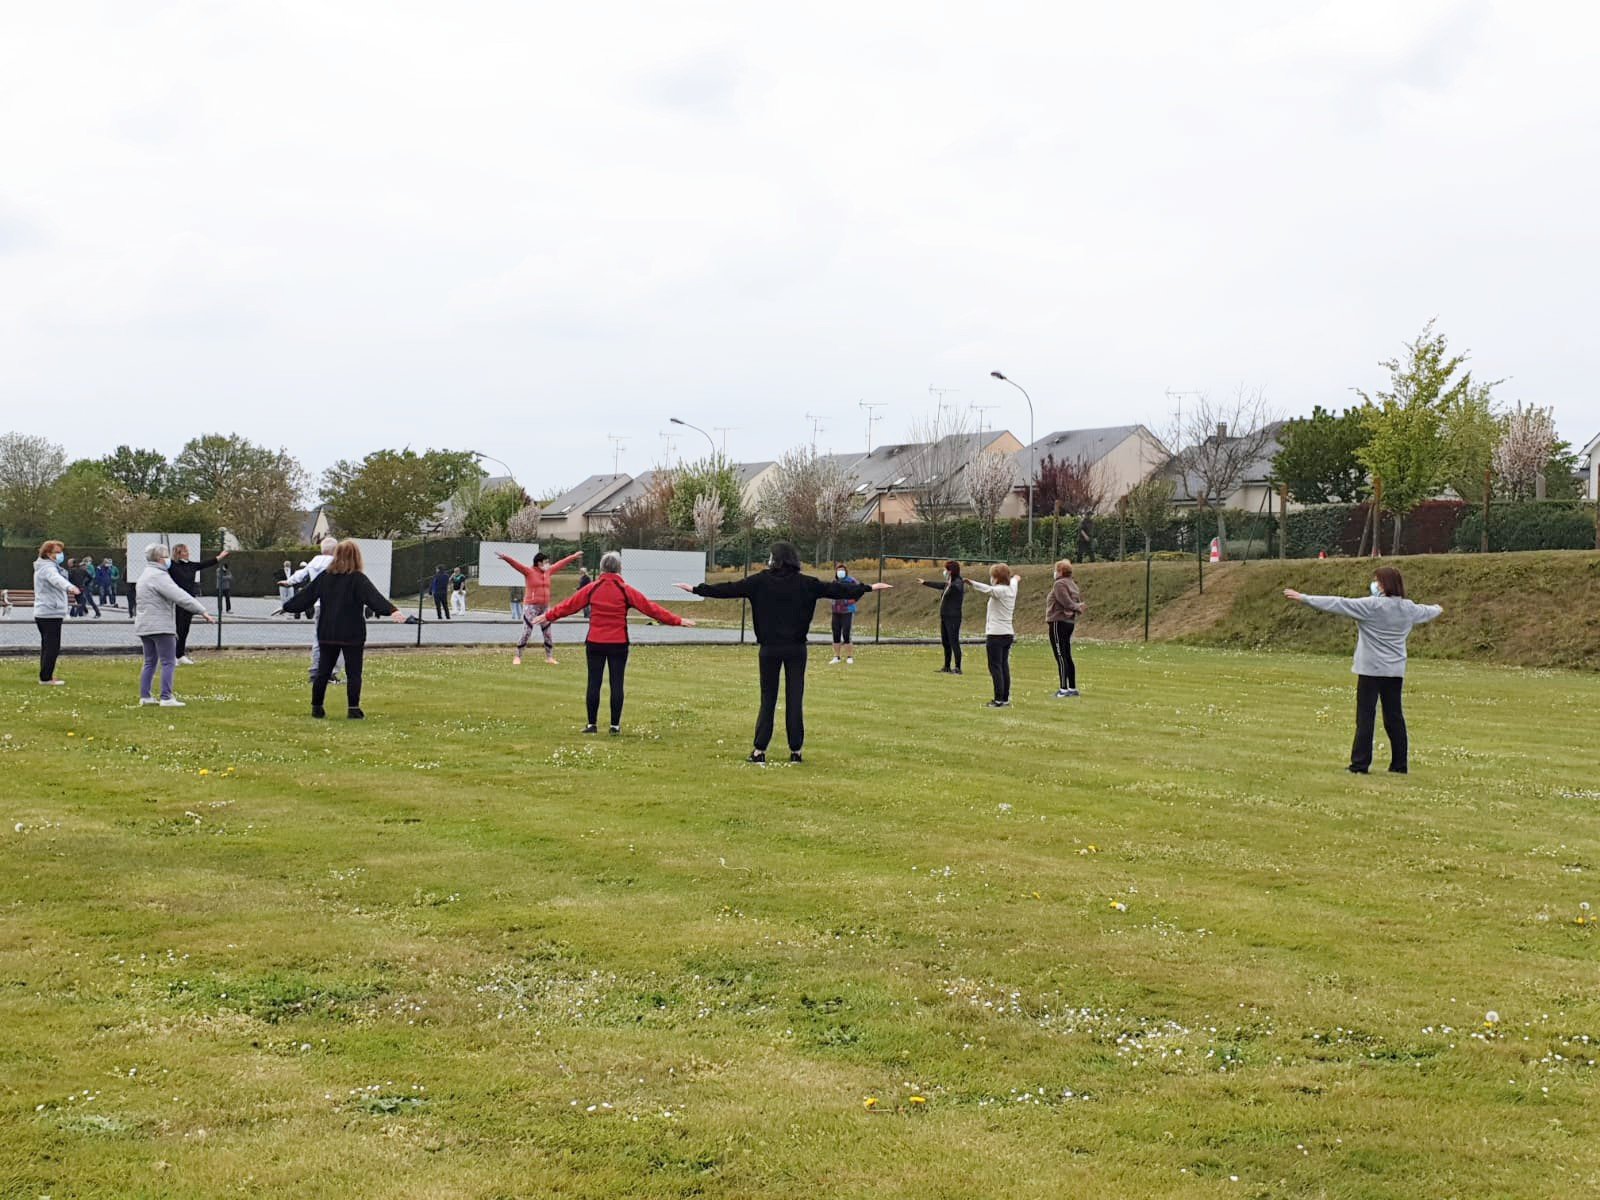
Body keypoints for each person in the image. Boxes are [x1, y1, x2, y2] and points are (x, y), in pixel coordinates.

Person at [676, 541, 889, 763]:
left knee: (768, 698)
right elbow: (836, 590)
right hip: (796, 648)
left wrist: (696, 589)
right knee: (795, 698)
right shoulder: (806, 583)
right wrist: (867, 588)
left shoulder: (759, 582)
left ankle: (760, 750)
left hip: (769, 649)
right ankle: (796, 751)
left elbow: (729, 589)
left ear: (775, 559)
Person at [1284, 565, 1443, 775]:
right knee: (1394, 717)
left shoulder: (1371, 606)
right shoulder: (1408, 608)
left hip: (1370, 670)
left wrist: (1305, 597)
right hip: (1395, 671)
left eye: (1377, 581)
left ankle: (1360, 764)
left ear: (1383, 584)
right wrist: (1439, 607)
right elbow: (1430, 611)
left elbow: (1338, 603)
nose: (1374, 585)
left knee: (1366, 717)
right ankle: (1399, 765)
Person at [536, 551, 696, 734]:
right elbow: (651, 609)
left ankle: (591, 725)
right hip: (618, 642)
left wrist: (548, 616)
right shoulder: (625, 590)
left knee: (593, 682)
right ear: (620, 569)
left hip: (595, 641)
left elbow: (569, 605)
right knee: (617, 683)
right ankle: (614, 726)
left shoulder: (592, 588)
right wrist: (677, 620)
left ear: (602, 568)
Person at [281, 539, 408, 719]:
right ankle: (353, 708)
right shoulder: (358, 579)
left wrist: (287, 606)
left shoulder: (325, 577)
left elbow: (306, 596)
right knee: (354, 671)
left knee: (323, 670)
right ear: (357, 557)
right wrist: (392, 610)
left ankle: (317, 707)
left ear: (336, 555)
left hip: (327, 631)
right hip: (351, 632)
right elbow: (375, 599)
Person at [133, 543, 214, 707]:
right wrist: (201, 610)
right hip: (160, 625)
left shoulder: (145, 574)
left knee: (149, 661)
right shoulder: (159, 576)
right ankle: (166, 697)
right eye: (165, 556)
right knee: (168, 661)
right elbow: (179, 595)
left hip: (144, 624)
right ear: (159, 558)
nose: (168, 559)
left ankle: (145, 696)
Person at [497, 549, 582, 665]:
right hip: (531, 606)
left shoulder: (548, 572)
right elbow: (516, 565)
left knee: (547, 633)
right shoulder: (529, 571)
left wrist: (573, 556)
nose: (548, 564)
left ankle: (549, 657)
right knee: (527, 632)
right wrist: (506, 558)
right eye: (546, 562)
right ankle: (518, 656)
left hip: (545, 607)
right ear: (539, 563)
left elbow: (561, 563)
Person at [285, 538, 342, 684]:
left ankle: (315, 671)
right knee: (336, 639)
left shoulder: (314, 562)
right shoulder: (337, 562)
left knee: (318, 638)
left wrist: (289, 581)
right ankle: (330, 672)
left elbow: (301, 574)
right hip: (334, 605)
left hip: (318, 604)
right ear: (335, 550)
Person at [167, 543, 228, 664]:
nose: (187, 553)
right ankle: (171, 655)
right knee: (177, 629)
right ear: (178, 554)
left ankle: (180, 654)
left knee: (185, 628)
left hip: (189, 600)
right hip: (177, 599)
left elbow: (205, 564)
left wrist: (219, 557)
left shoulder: (191, 565)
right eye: (185, 552)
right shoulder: (172, 565)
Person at [969, 563, 1020, 708]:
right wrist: (1015, 578)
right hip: (1007, 633)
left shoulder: (999, 591)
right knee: (1004, 666)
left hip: (995, 634)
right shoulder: (1012, 588)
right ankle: (1005, 698)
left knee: (995, 667)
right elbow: (1015, 580)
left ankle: (998, 699)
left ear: (996, 578)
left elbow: (987, 589)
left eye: (992, 576)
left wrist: (971, 582)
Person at [31, 541, 78, 686]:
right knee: (52, 646)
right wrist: (70, 587)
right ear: (47, 554)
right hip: (49, 612)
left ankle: (46, 675)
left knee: (47, 646)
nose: (60, 555)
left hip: (47, 611)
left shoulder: (47, 567)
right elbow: (57, 580)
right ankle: (46, 678)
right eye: (57, 552)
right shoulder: (48, 569)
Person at [917, 560, 967, 674]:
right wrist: (925, 582)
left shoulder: (958, 582)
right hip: (944, 616)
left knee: (954, 641)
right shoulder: (948, 583)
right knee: (945, 642)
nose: (944, 572)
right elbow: (940, 585)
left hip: (953, 617)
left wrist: (951, 585)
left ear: (951, 571)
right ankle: (946, 666)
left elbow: (958, 587)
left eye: (946, 570)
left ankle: (958, 668)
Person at [1046, 560, 1085, 698]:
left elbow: (1066, 601)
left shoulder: (1060, 584)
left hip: (1058, 621)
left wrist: (1076, 607)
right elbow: (1075, 600)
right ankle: (1072, 687)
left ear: (1061, 572)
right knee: (1067, 654)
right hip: (1069, 622)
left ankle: (1063, 688)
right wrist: (1077, 607)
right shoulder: (1072, 584)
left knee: (1060, 655)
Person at [828, 563, 859, 665]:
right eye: (838, 570)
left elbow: (859, 591)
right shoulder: (834, 582)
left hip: (847, 611)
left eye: (842, 570)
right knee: (836, 633)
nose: (840, 572)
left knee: (846, 633)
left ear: (845, 572)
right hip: (836, 611)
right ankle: (837, 657)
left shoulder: (851, 581)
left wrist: (853, 600)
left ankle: (849, 656)